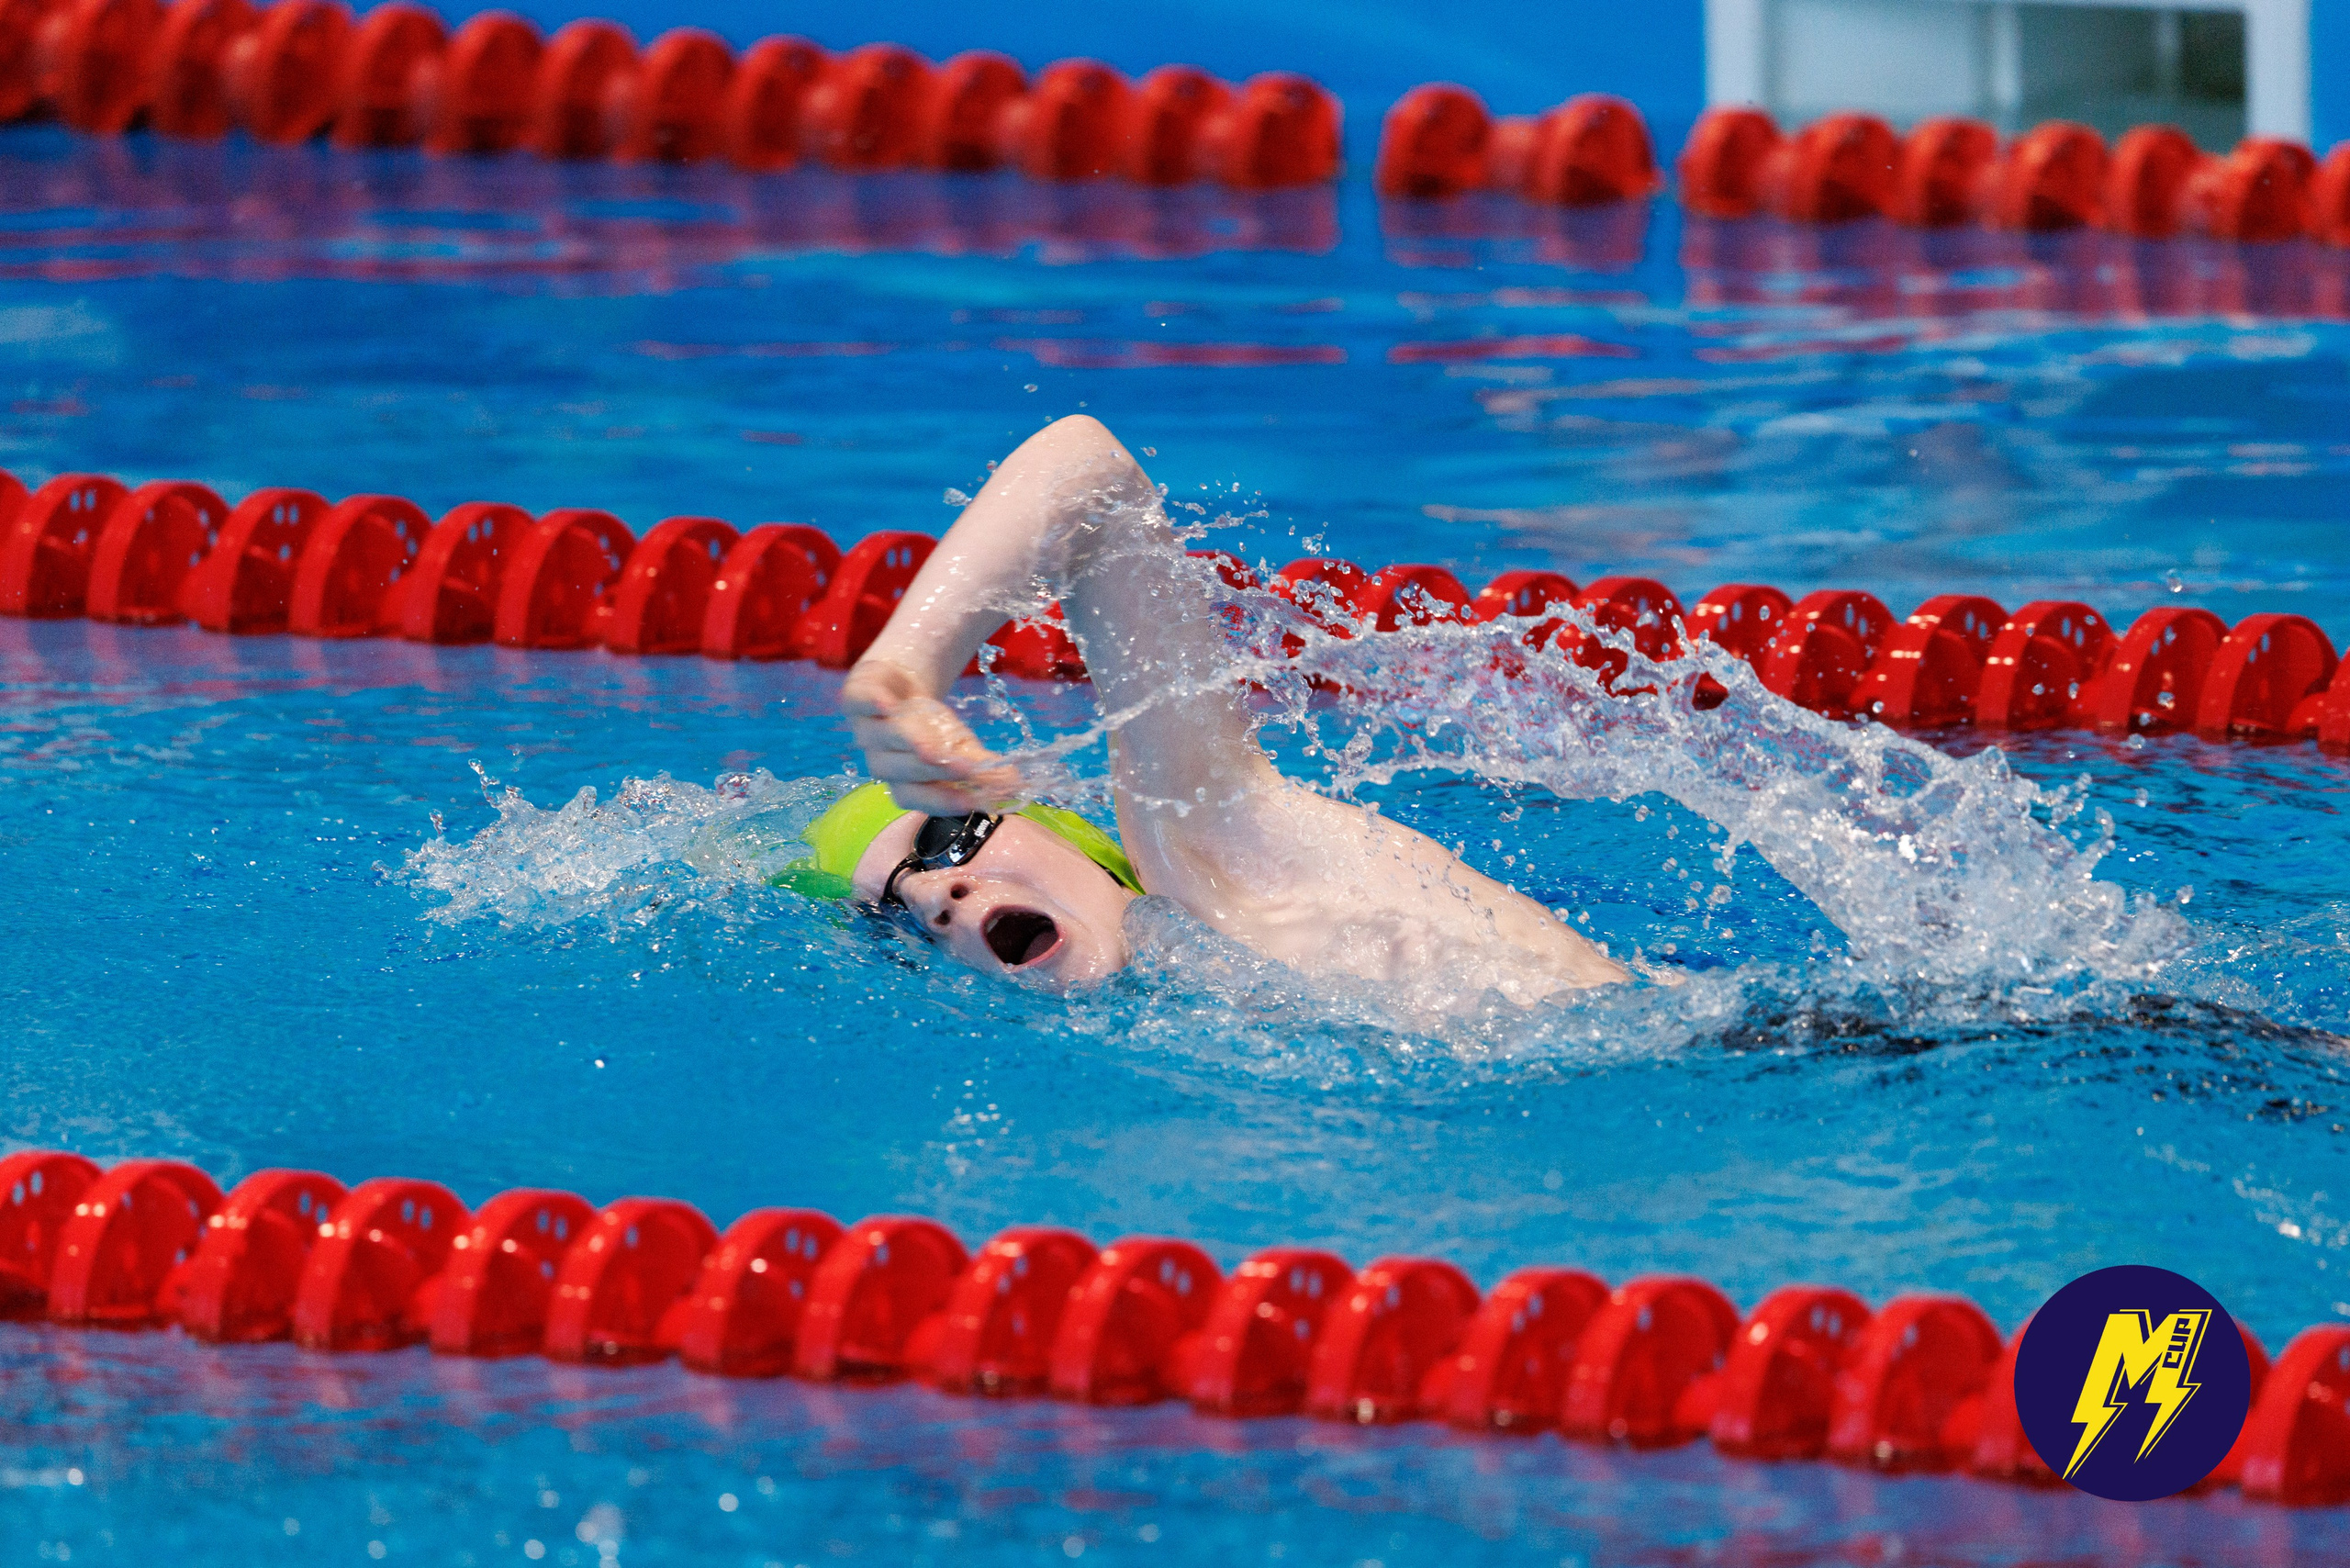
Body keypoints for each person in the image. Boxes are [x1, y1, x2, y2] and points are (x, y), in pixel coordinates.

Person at [785, 414, 1627, 1002]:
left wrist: (908, 666)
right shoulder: (1197, 1000)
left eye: (947, 836)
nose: (938, 895)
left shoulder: (1221, 854)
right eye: (892, 912)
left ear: (1081, 842)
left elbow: (1088, 473)